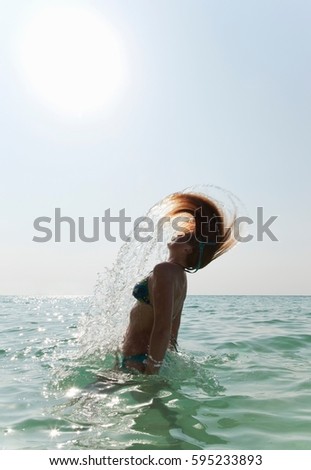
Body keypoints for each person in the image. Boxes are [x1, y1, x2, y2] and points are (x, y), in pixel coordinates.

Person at [121, 192, 236, 374]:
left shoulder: (164, 270)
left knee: (85, 400)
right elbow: (173, 331)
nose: (179, 233)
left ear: (188, 249)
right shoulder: (179, 276)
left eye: (184, 235)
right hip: (141, 359)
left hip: (137, 362)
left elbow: (163, 328)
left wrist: (152, 374)